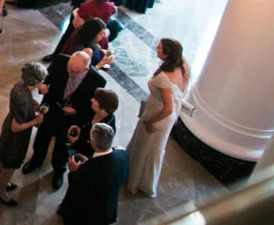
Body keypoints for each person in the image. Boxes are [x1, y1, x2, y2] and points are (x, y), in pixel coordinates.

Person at [22, 52, 107, 190]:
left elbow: (92, 108)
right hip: (51, 110)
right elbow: (46, 78)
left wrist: (76, 112)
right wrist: (43, 86)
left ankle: (58, 171)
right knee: (42, 137)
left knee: (62, 147)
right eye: (68, 68)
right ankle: (36, 160)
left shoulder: (97, 81)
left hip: (70, 120)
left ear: (85, 69)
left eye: (73, 71)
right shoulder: (61, 60)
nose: (69, 72)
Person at [127, 38, 190, 197]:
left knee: (146, 149)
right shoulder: (183, 66)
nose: (156, 48)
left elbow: (168, 108)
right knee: (152, 148)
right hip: (164, 114)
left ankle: (138, 181)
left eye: (160, 47)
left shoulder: (163, 79)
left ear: (167, 53)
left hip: (158, 114)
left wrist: (150, 120)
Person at [0, 62, 47, 206]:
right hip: (16, 138)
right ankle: (1, 190)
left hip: (8, 125)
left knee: (3, 156)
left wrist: (33, 102)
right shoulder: (23, 99)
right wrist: (36, 120)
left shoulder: (20, 85)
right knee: (10, 162)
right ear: (37, 81)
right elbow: (16, 127)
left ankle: (1, 181)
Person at [60, 123, 130, 225]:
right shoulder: (123, 154)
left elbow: (77, 190)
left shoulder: (88, 170)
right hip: (107, 209)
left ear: (93, 143)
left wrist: (74, 171)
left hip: (88, 215)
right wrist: (87, 165)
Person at [66, 88, 119, 160]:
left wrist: (77, 141)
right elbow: (82, 118)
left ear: (103, 107)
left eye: (95, 99)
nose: (91, 100)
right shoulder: (92, 109)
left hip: (84, 156)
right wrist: (77, 127)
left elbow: (96, 147)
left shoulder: (106, 129)